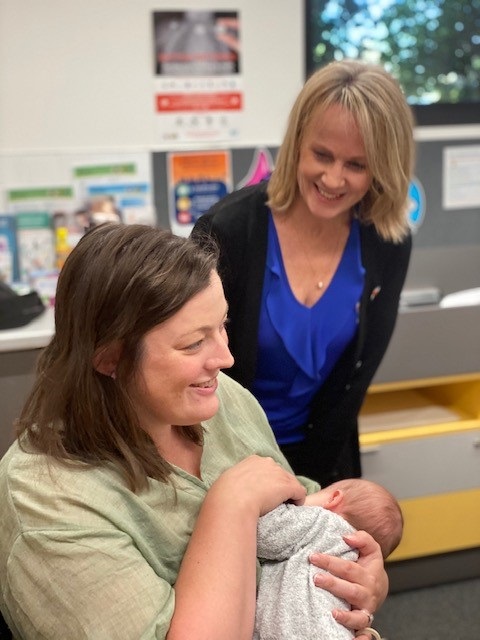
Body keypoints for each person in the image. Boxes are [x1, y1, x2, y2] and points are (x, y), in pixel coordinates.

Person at [0, 223, 387, 639]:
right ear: (108, 357)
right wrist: (230, 505)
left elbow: (306, 513)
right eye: (192, 344)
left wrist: (362, 575)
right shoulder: (46, 500)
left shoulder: (220, 400)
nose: (224, 358)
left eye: (222, 326)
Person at [191, 59, 416, 487]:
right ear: (297, 143)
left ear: (383, 168)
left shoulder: (387, 243)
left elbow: (355, 383)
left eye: (357, 165)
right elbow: (188, 364)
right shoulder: (228, 231)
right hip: (222, 465)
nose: (333, 178)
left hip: (323, 464)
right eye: (322, 155)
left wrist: (310, 488)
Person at [254, 478, 403, 640]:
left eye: (318, 492)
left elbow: (260, 533)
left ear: (333, 499)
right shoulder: (352, 557)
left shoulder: (323, 522)